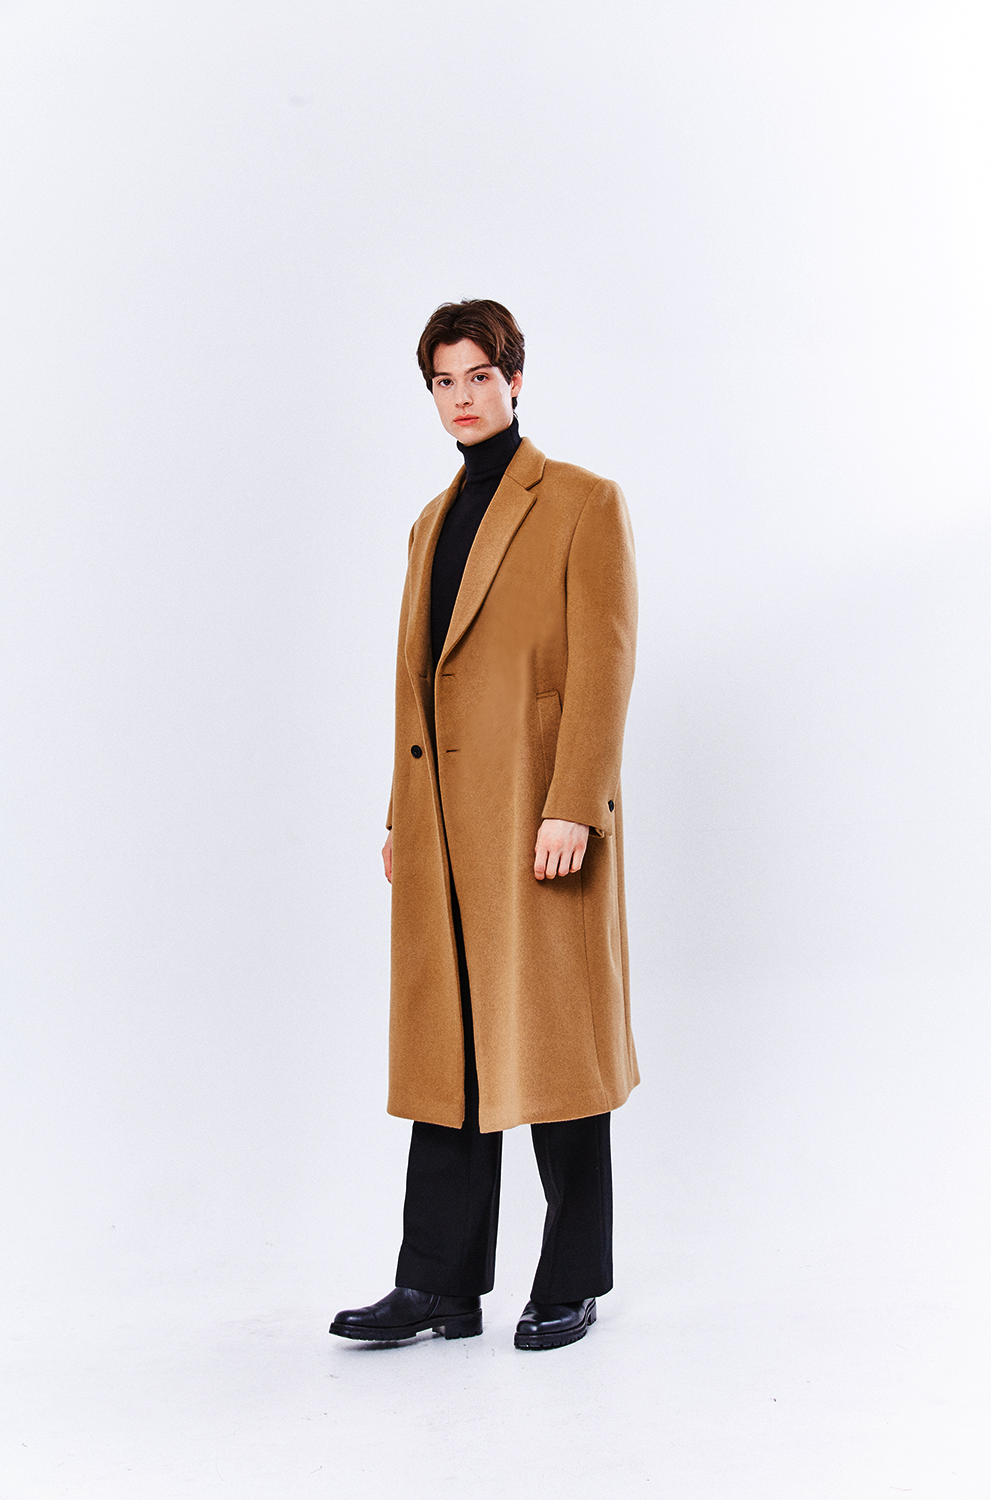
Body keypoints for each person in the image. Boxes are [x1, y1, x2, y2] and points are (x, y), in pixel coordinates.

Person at [330, 299, 638, 1351]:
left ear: (514, 380)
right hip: (443, 828)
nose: (460, 398)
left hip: (536, 820)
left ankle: (574, 1277)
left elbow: (604, 665)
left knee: (556, 1049)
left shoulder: (582, 501)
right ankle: (438, 1287)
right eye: (442, 382)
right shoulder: (430, 521)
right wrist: (399, 817)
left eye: (478, 377)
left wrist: (574, 805)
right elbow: (417, 686)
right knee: (447, 1053)